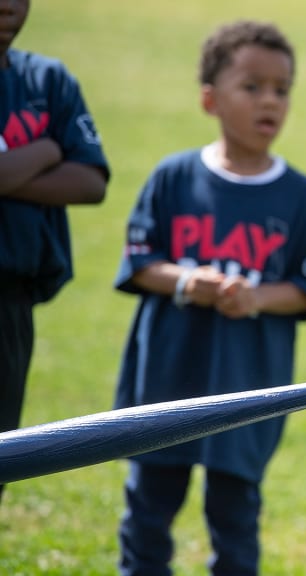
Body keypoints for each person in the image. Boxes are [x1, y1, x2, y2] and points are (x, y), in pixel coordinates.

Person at [112, 20, 306, 575]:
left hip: (249, 381)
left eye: (282, 89)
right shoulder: (174, 177)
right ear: (210, 99)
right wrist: (191, 283)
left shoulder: (303, 197)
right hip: (169, 371)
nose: (270, 102)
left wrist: (255, 298)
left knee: (235, 514)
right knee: (148, 506)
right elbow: (140, 263)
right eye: (252, 86)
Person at [0, 0, 109, 505]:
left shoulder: (47, 80)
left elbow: (90, 181)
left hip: (9, 304)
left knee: (3, 454)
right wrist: (46, 150)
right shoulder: (48, 124)